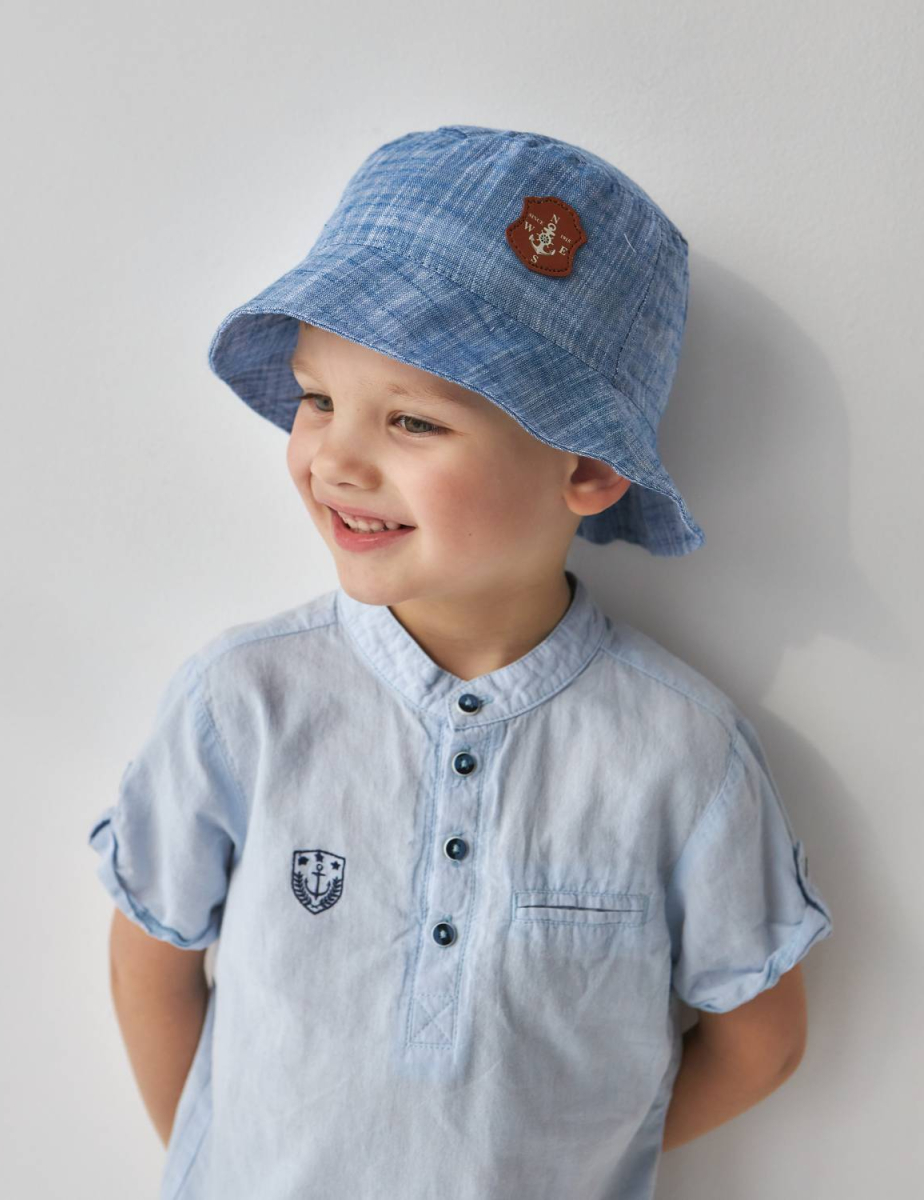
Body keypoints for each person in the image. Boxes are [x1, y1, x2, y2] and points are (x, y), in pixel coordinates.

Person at [87, 124, 833, 1200]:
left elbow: (762, 1041)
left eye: (412, 422)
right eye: (317, 399)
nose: (336, 459)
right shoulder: (243, 702)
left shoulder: (683, 755)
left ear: (587, 468)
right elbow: (147, 966)